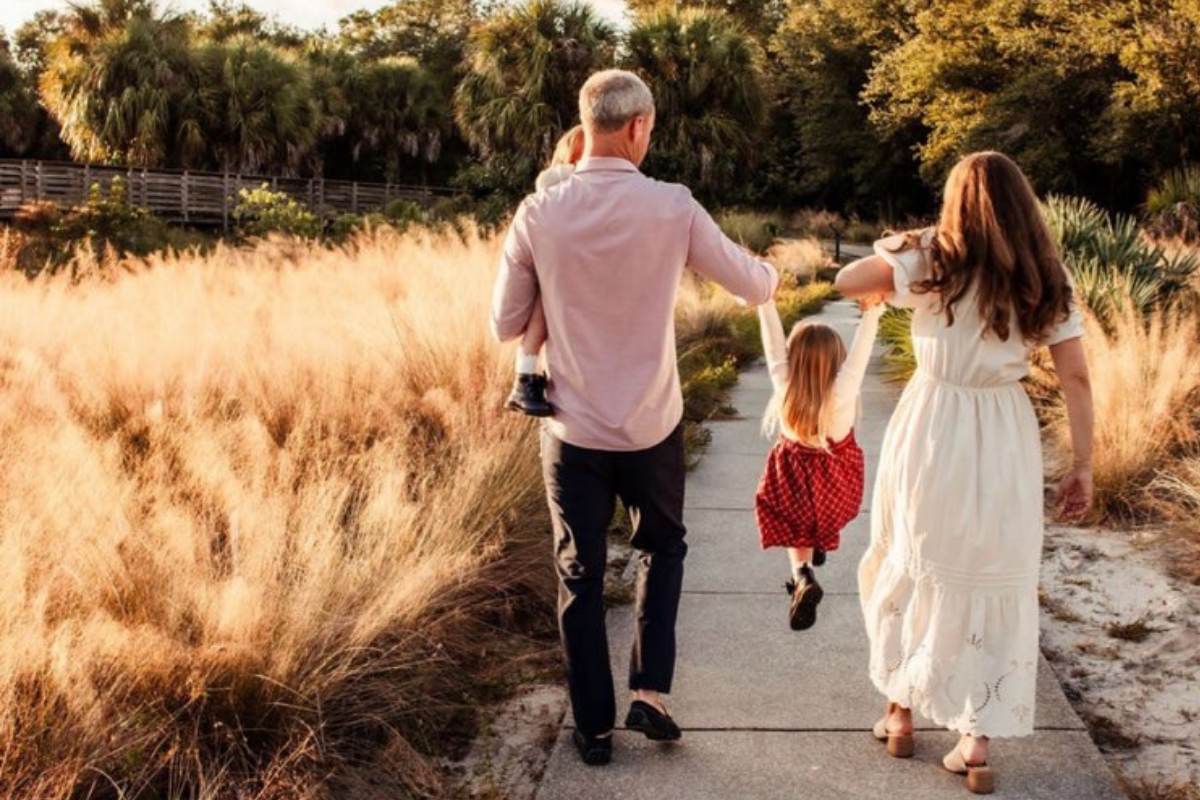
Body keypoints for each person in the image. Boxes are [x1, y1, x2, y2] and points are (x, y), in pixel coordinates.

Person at [490, 69, 778, 767]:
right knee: (663, 550)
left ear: (587, 123)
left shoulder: (538, 214)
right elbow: (751, 286)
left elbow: (503, 322)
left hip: (571, 428)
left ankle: (592, 730)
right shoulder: (673, 205)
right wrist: (770, 270)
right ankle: (649, 692)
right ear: (638, 126)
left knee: (580, 575)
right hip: (652, 425)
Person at [835, 151, 1094, 795]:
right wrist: (1084, 465)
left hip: (932, 421)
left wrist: (909, 245)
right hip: (1002, 431)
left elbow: (846, 279)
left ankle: (900, 713)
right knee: (988, 570)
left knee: (910, 557)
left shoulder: (934, 261)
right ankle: (975, 740)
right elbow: (1077, 378)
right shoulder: (1045, 274)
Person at [755, 295, 885, 631]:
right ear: (837, 359)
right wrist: (872, 313)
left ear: (793, 359)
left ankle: (802, 575)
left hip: (793, 482)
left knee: (794, 524)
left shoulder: (785, 386)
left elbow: (773, 348)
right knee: (815, 518)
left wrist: (765, 303)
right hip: (835, 490)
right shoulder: (843, 391)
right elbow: (860, 355)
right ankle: (819, 540)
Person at [506, 125, 586, 417]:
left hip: (569, 267)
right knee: (540, 317)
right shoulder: (561, 179)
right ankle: (524, 378)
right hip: (558, 270)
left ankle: (525, 378)